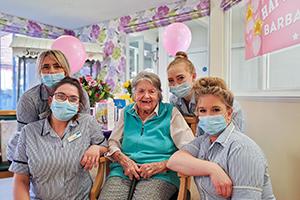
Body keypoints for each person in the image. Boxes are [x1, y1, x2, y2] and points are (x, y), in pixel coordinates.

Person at [99, 71, 232, 200]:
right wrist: (123, 160)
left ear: (159, 94)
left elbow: (189, 148)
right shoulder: (126, 112)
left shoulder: (170, 112)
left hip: (162, 174)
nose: (146, 96)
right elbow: (113, 142)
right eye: (141, 91)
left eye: (151, 91)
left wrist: (162, 165)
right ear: (134, 94)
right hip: (124, 170)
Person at [167, 77, 276, 199]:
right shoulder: (204, 141)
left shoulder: (242, 150)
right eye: (202, 110)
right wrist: (213, 169)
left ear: (229, 113)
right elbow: (174, 161)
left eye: (216, 110)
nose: (208, 116)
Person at [9, 77, 107, 200]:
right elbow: (21, 180)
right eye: (60, 96)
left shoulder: (87, 123)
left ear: (77, 106)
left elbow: (105, 147)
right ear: (50, 101)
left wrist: (96, 148)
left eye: (73, 99)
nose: (66, 102)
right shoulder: (29, 132)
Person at [7, 50, 90, 162]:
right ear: (40, 72)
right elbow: (25, 138)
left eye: (57, 66)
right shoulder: (29, 99)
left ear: (65, 71)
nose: (51, 71)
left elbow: (84, 129)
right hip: (36, 154)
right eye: (45, 67)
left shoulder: (80, 94)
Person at [167, 51, 245, 133]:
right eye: (171, 80)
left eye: (181, 78)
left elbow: (236, 134)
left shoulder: (206, 96)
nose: (176, 84)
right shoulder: (174, 101)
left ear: (193, 76)